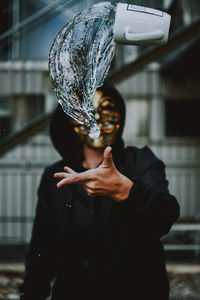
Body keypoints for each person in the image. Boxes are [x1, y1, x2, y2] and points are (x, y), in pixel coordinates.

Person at [19, 81, 180, 300]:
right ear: (72, 119)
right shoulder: (55, 176)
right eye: (90, 110)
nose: (100, 117)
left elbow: (165, 215)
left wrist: (127, 191)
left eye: (108, 109)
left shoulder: (141, 162)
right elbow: (42, 248)